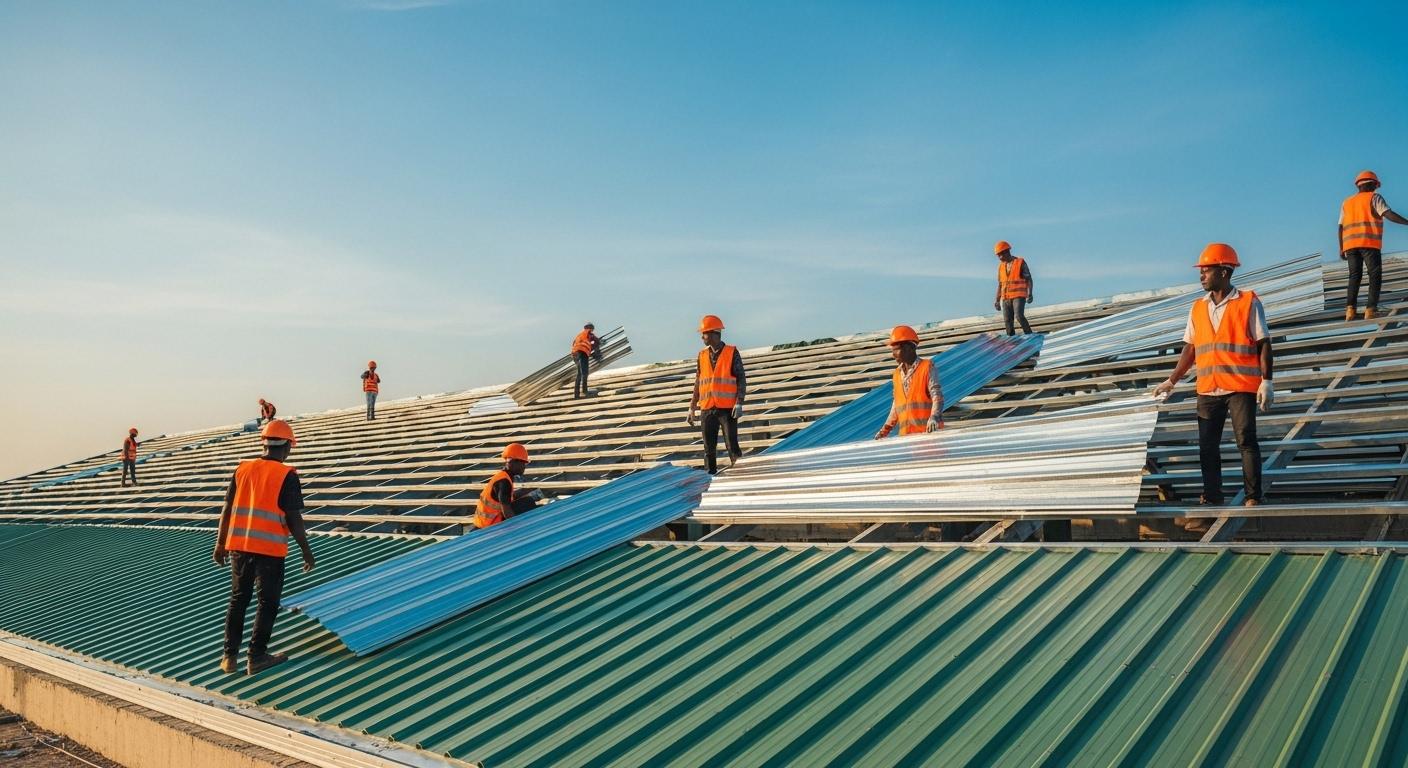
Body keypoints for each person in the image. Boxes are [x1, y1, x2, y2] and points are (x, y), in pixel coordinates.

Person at [1154, 243, 1274, 526]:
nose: (1202, 275)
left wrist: (1267, 381)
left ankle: (1253, 496)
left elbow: (1263, 343)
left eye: (1206, 270)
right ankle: (1212, 496)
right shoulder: (1197, 308)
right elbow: (1190, 349)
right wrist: (1172, 380)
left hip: (1241, 385)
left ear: (1224, 271)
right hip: (1208, 387)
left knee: (1246, 441)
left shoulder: (1248, 302)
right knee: (1207, 446)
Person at [213, 419, 315, 675]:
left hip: (239, 546)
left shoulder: (242, 469)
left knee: (238, 600)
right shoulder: (286, 475)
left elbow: (227, 508)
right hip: (269, 549)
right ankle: (256, 656)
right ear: (288, 447)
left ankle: (229, 658)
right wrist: (306, 549)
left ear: (265, 443)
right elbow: (293, 517)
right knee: (267, 602)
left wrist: (220, 542)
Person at [1340, 170, 1408, 321]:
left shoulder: (1347, 202)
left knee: (1354, 276)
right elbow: (1389, 214)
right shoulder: (1374, 198)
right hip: (1368, 243)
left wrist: (1341, 247)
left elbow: (1340, 226)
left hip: (1350, 244)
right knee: (1374, 275)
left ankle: (1350, 311)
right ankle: (1371, 310)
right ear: (1373, 184)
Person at [687, 314, 746, 474]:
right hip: (707, 409)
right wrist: (692, 407)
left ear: (714, 333)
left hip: (727, 409)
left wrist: (739, 402)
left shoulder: (731, 352)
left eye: (704, 333)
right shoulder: (702, 355)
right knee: (708, 450)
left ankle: (740, 480)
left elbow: (741, 378)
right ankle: (709, 480)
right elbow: (698, 381)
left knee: (732, 447)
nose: (702, 337)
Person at [874, 325, 944, 438]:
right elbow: (896, 405)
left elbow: (937, 396)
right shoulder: (896, 374)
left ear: (910, 348)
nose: (893, 354)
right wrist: (885, 430)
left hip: (929, 436)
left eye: (896, 349)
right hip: (907, 439)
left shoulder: (927, 367)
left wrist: (934, 417)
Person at [474, 443, 542, 528]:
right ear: (513, 462)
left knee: (528, 501)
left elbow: (507, 497)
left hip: (485, 522)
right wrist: (519, 529)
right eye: (523, 463)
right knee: (528, 502)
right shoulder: (504, 482)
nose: (524, 467)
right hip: (491, 525)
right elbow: (507, 512)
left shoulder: (504, 476)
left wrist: (527, 491)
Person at [993, 240, 1034, 336]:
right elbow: (1000, 284)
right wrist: (997, 300)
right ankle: (1011, 343)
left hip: (1018, 296)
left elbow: (1029, 279)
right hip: (1006, 298)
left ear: (1006, 252)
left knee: (1019, 316)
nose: (999, 257)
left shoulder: (1020, 262)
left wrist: (1030, 293)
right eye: (998, 255)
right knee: (1007, 321)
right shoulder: (1001, 267)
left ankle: (1029, 335)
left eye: (1000, 255)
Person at [571, 323, 604, 399]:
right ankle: (585, 391)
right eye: (592, 329)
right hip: (582, 353)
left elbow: (575, 344)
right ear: (590, 328)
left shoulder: (579, 335)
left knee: (579, 374)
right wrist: (598, 347)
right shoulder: (589, 333)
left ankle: (576, 395)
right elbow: (596, 341)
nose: (592, 330)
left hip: (575, 354)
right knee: (585, 373)